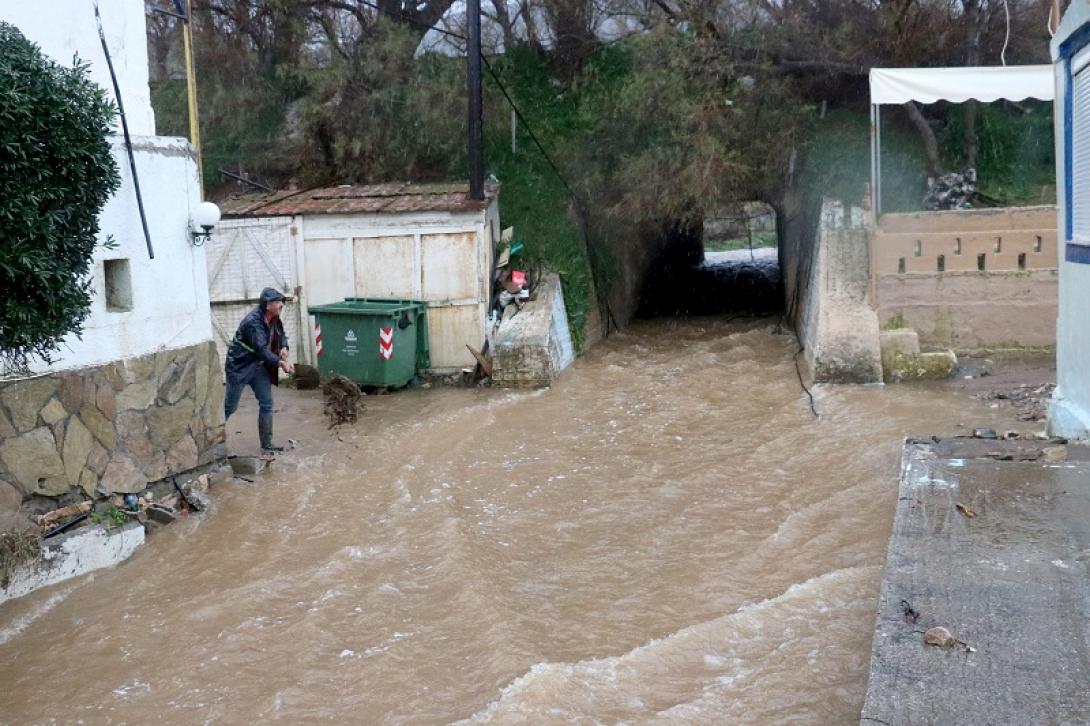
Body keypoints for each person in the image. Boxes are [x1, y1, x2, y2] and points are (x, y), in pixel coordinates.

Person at [224, 287, 295, 452]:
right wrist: (280, 363)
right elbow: (262, 350)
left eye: (281, 302)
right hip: (239, 366)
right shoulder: (253, 322)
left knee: (267, 404)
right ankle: (213, 442)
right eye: (277, 302)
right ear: (267, 305)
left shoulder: (275, 317)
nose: (281, 305)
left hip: (258, 365)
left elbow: (281, 333)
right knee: (230, 407)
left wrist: (284, 347)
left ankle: (267, 444)